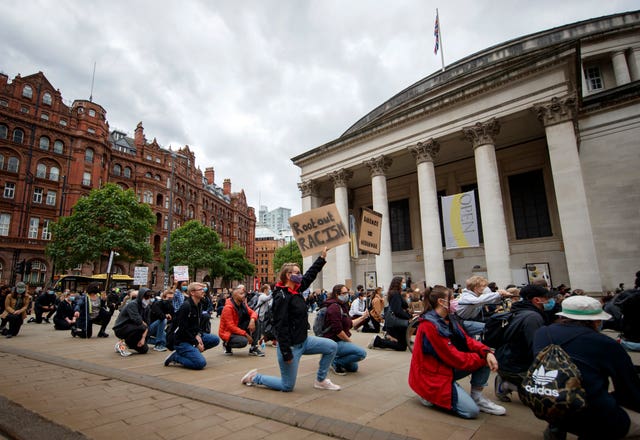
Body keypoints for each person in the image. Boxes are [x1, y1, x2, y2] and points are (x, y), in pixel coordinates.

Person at [532, 295, 640, 440]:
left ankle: (557, 427)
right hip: (590, 411)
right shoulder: (605, 343)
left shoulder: (542, 333)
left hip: (545, 402)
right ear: (595, 320)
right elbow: (629, 389)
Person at [240, 247, 341, 391]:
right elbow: (280, 326)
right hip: (290, 347)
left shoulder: (296, 289)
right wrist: (286, 352)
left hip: (304, 341)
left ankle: (321, 380)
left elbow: (310, 275)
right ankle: (254, 378)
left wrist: (322, 258)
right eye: (297, 273)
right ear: (288, 275)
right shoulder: (281, 296)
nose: (300, 275)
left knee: (331, 346)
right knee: (287, 386)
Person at [408, 285, 506, 419]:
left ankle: (477, 397)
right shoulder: (429, 325)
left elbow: (466, 340)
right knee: (471, 412)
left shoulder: (449, 318)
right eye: (452, 298)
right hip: (431, 375)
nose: (456, 301)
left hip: (443, 367)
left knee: (485, 356)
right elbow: (453, 357)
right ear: (441, 302)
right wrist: (483, 358)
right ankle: (428, 394)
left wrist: (486, 352)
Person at [493, 284, 552, 402]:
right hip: (515, 365)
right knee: (549, 394)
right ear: (536, 300)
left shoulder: (518, 309)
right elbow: (537, 348)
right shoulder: (533, 318)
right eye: (547, 298)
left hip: (506, 359)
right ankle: (507, 384)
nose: (550, 301)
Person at [163, 282, 220, 370]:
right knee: (200, 363)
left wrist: (198, 334)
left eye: (203, 289)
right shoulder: (186, 306)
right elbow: (182, 330)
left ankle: (191, 353)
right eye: (200, 289)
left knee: (215, 339)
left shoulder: (199, 304)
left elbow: (196, 324)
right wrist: (196, 343)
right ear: (192, 293)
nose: (203, 291)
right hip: (181, 340)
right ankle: (176, 357)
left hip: (191, 336)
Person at [322, 284, 368, 375]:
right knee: (361, 353)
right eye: (344, 293)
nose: (346, 295)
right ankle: (335, 362)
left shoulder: (342, 305)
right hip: (334, 341)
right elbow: (338, 331)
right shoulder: (334, 308)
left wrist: (363, 317)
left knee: (353, 368)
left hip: (340, 340)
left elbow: (349, 324)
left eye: (347, 292)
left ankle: (335, 358)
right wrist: (349, 341)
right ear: (337, 294)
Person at [219, 284, 264, 356]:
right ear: (235, 296)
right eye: (241, 294)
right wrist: (246, 334)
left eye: (244, 293)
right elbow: (231, 327)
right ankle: (227, 344)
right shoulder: (228, 308)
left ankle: (253, 348)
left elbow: (253, 312)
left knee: (256, 321)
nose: (244, 295)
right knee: (243, 342)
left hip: (238, 327)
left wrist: (252, 320)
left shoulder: (243, 305)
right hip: (229, 332)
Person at [369, 276, 412, 351]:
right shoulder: (395, 294)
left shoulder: (396, 293)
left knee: (401, 345)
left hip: (394, 321)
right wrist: (409, 316)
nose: (404, 284)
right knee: (401, 346)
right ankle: (377, 341)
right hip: (396, 322)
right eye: (403, 282)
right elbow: (397, 310)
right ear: (398, 283)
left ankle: (387, 338)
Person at [112, 287, 154, 356]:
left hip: (134, 328)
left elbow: (148, 324)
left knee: (144, 349)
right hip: (121, 328)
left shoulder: (147, 308)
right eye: (146, 297)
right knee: (141, 327)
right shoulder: (133, 304)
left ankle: (128, 344)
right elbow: (138, 320)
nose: (148, 299)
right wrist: (144, 325)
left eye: (150, 297)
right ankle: (122, 344)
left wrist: (143, 338)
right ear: (141, 296)